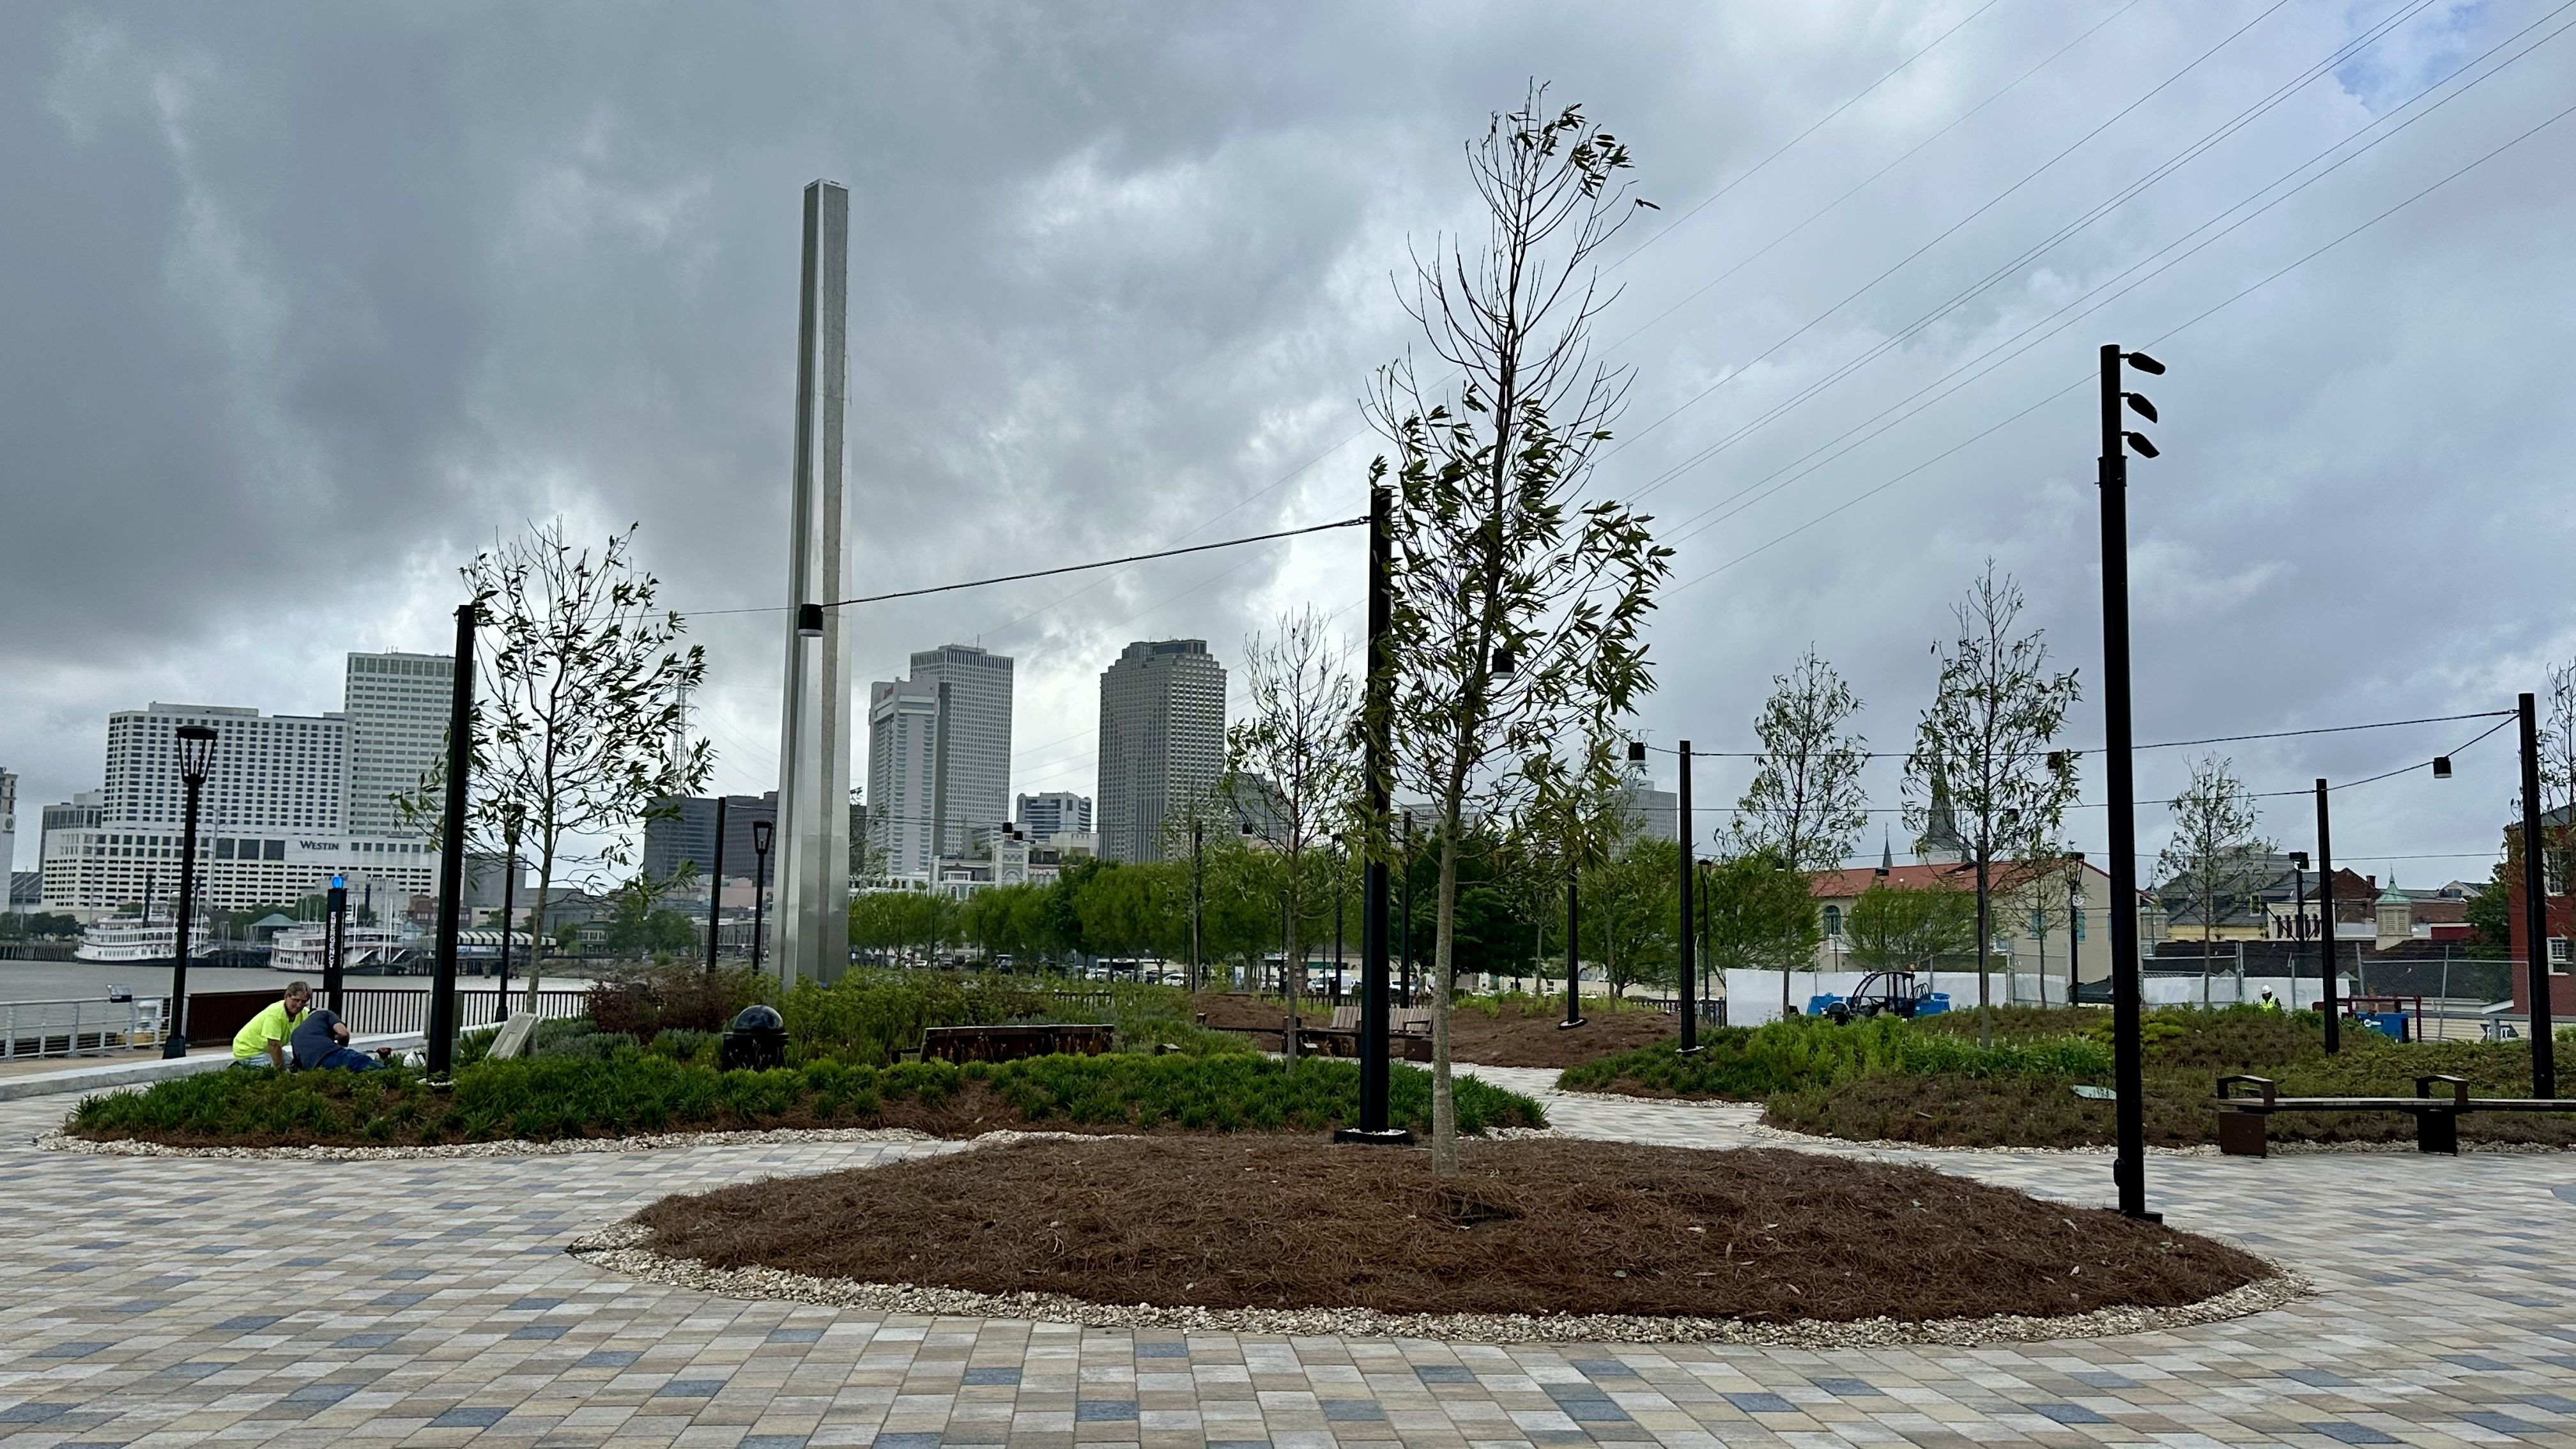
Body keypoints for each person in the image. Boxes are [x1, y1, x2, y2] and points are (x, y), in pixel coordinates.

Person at [290, 999, 391, 1072]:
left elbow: (297, 1065)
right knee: (362, 1062)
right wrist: (342, 1047)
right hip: (330, 1054)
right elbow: (343, 1033)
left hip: (315, 1068)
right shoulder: (324, 1013)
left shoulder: (295, 1034)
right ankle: (393, 1076)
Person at [231, 981, 312, 1070]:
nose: (299, 1005)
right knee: (273, 1070)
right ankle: (240, 1067)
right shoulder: (275, 1014)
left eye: (303, 1002)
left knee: (294, 1067)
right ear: (286, 997)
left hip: (266, 1049)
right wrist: (282, 1072)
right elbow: (274, 1045)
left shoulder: (304, 1013)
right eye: (296, 1000)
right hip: (248, 1050)